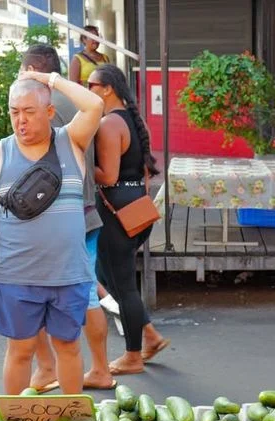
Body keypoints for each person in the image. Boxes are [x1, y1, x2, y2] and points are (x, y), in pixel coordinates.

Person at [0, 71, 103, 395]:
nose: (21, 120)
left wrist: (49, 79)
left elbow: (95, 105)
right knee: (20, 350)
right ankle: (14, 420)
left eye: (29, 112)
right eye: (14, 112)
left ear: (49, 111)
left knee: (68, 347)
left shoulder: (70, 142)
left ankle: (72, 417)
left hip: (68, 273)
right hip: (16, 274)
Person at [20, 44, 115, 392]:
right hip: (85, 209)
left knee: (40, 293)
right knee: (86, 292)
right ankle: (100, 368)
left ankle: (49, 368)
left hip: (58, 216)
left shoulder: (43, 107)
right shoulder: (72, 101)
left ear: (32, 71)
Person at [87, 64, 170, 374]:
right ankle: (149, 335)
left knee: (123, 285)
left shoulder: (109, 123)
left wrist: (80, 165)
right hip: (137, 209)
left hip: (115, 214)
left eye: (91, 85)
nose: (87, 89)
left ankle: (133, 356)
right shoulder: (136, 121)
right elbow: (143, 171)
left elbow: (108, 176)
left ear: (108, 88)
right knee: (105, 275)